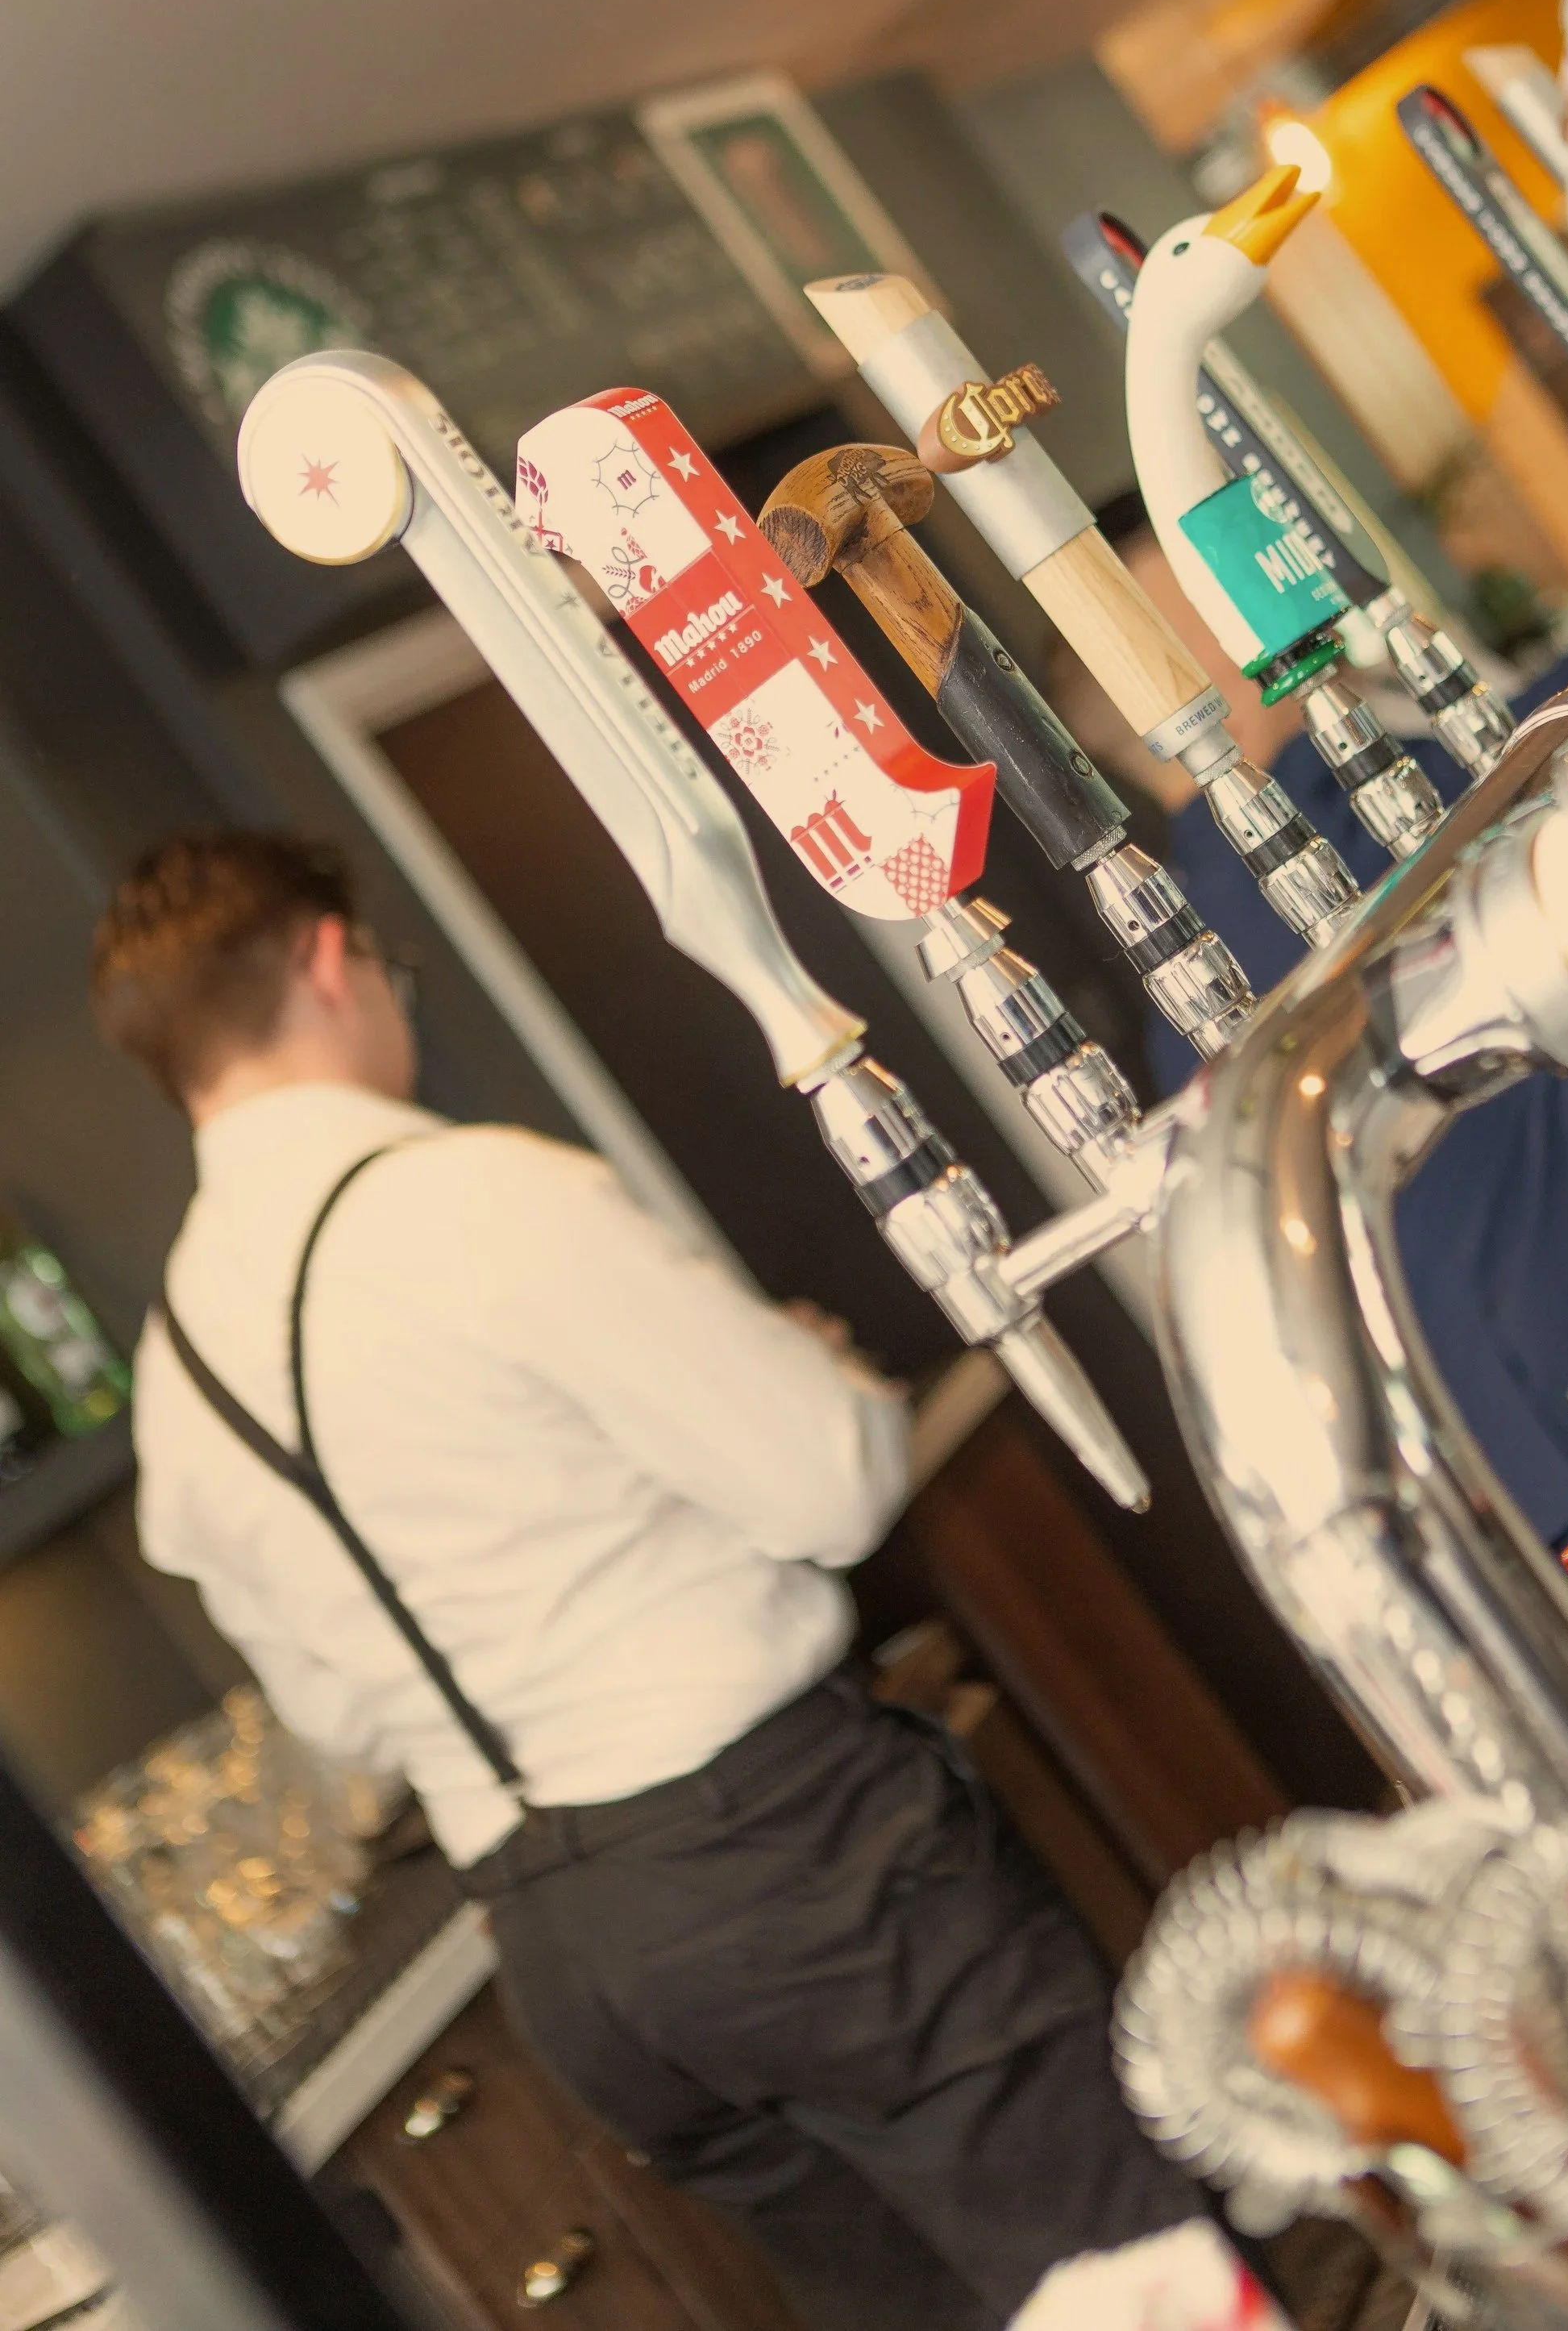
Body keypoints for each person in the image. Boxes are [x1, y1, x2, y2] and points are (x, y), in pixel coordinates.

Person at [93, 830, 1198, 2331]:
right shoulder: (471, 1199)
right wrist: (810, 1369)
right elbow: (836, 1483)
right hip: (794, 1863)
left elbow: (345, 1724)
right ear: (328, 959)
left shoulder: (176, 1381)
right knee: (1137, 2285)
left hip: (578, 1965)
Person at [1065, 515, 1568, 1548]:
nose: (1265, 604)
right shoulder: (1322, 814)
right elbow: (1566, 738)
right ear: (1175, 684)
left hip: (1524, 1413)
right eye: (1212, 601)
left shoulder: (1177, 1023)